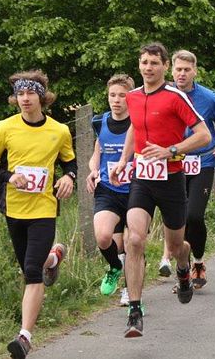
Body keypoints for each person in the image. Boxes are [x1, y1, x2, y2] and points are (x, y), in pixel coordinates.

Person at [109, 42, 211, 338]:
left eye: (154, 63)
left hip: (171, 179)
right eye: (144, 62)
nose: (148, 68)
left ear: (165, 66)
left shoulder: (175, 97)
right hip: (142, 179)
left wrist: (172, 150)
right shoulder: (132, 97)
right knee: (135, 240)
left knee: (177, 246)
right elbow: (134, 129)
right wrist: (123, 160)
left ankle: (183, 267)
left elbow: (203, 134)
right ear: (138, 65)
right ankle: (135, 311)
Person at [0, 70, 76, 358]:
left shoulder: (59, 131)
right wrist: (9, 176)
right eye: (20, 94)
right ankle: (54, 256)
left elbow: (71, 163)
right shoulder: (4, 128)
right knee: (30, 266)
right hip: (14, 207)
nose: (24, 99)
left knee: (32, 273)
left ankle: (24, 337)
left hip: (44, 208)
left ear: (41, 97)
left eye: (30, 93)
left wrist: (69, 177)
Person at [160, 50, 215, 290]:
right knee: (178, 219)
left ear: (195, 72)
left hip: (202, 161)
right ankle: (185, 268)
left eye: (186, 70)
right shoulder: (164, 95)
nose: (182, 74)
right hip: (173, 162)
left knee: (194, 215)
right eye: (178, 69)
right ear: (171, 70)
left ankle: (199, 261)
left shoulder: (208, 97)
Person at [86, 74, 135, 306]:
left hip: (136, 189)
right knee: (104, 237)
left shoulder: (139, 122)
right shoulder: (99, 121)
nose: (116, 100)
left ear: (131, 97)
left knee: (132, 242)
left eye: (122, 95)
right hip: (108, 188)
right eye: (112, 95)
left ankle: (130, 291)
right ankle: (115, 267)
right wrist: (93, 170)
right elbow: (98, 152)